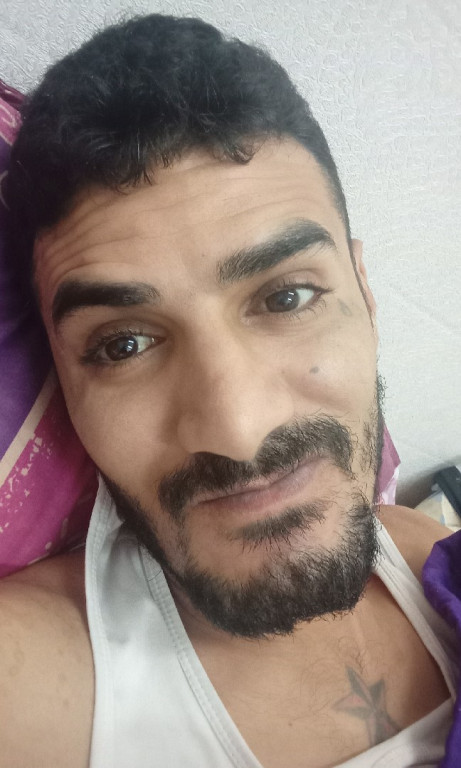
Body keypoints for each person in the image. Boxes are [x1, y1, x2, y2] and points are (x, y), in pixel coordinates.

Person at [1, 13, 458, 768]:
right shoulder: (29, 690)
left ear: (365, 295)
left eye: (286, 298)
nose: (238, 430)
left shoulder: (435, 557)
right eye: (123, 345)